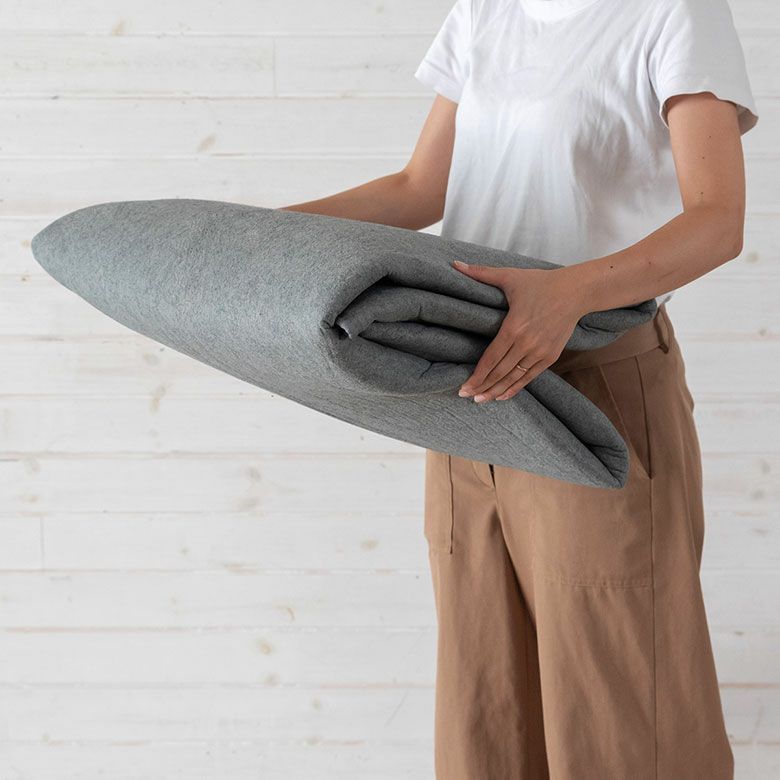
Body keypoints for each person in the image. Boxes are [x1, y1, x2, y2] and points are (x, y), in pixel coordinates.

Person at [280, 0, 759, 775]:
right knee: (488, 708)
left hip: (594, 384)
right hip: (465, 392)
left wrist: (567, 294)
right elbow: (416, 189)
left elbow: (717, 221)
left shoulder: (673, 11)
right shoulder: (485, 11)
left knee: (623, 714)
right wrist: (253, 239)